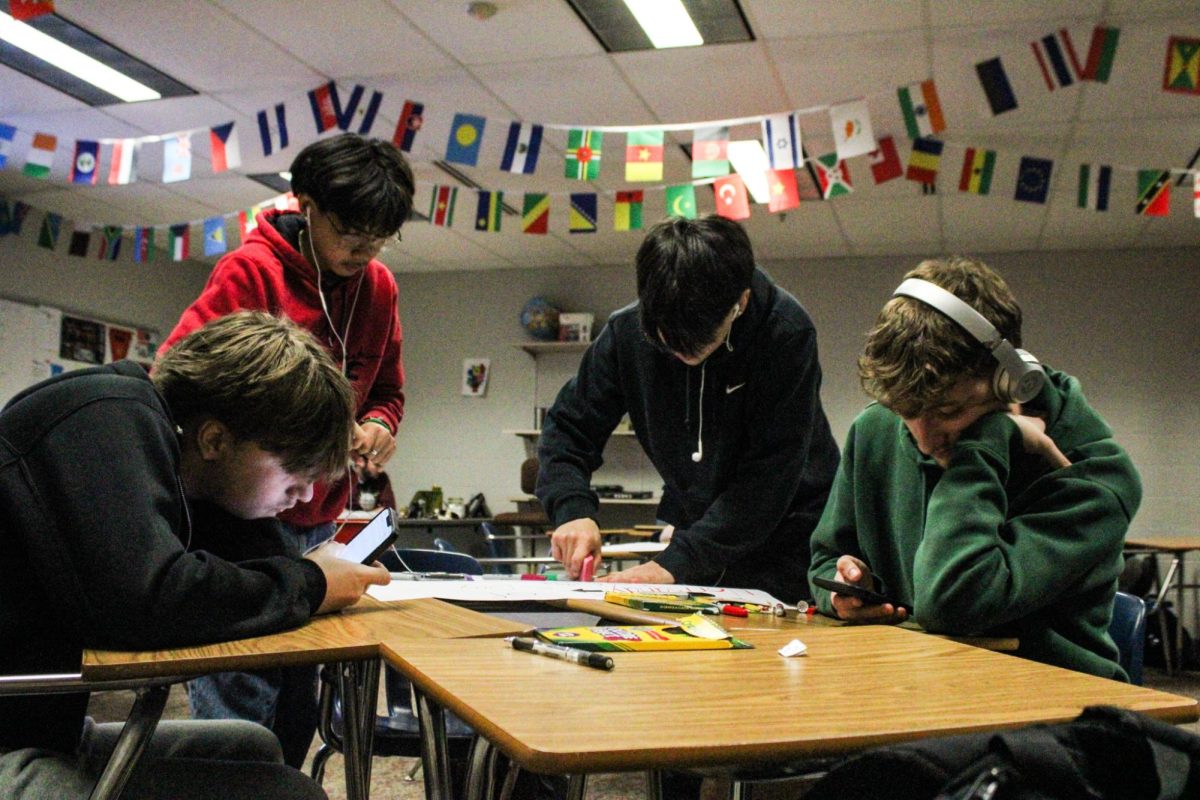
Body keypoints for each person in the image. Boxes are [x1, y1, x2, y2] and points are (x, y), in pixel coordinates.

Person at [0, 311, 391, 799]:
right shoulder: (102, 415)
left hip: (41, 728)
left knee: (253, 745)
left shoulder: (169, 452)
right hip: (12, 748)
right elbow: (147, 601)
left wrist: (307, 570)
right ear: (214, 440)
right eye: (295, 471)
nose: (308, 496)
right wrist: (310, 582)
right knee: (292, 796)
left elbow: (241, 563)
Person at [158, 132, 413, 765]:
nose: (365, 249)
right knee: (242, 681)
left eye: (380, 236)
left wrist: (379, 422)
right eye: (351, 230)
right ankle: (234, 778)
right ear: (304, 203)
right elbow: (178, 378)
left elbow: (387, 391)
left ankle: (277, 778)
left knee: (303, 689)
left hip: (320, 521)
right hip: (242, 518)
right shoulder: (251, 271)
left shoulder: (378, 288)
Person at [808, 256, 1141, 680]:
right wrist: (842, 594)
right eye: (907, 411)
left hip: (1048, 705)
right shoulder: (876, 430)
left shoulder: (1095, 475)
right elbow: (823, 561)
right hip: (915, 686)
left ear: (1012, 379)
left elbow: (954, 603)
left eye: (947, 409)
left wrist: (985, 444)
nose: (926, 440)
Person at [537, 215, 841, 604]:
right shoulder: (627, 331)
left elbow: (768, 477)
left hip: (787, 531)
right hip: (697, 523)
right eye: (665, 343)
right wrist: (572, 508)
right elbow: (568, 428)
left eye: (695, 344)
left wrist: (676, 563)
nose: (680, 354)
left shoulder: (786, 333)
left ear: (740, 303)